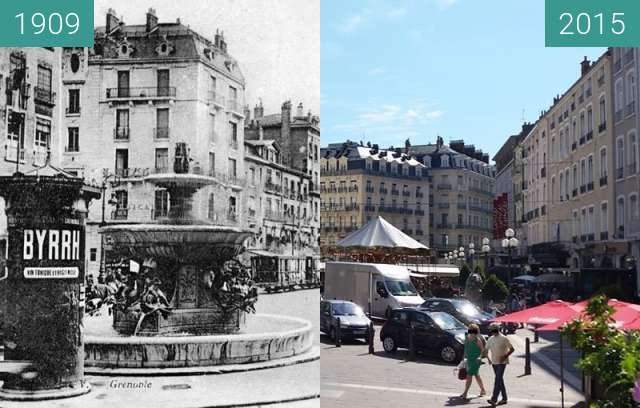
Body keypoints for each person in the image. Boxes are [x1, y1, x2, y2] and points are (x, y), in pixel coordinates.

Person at [482, 323, 515, 406]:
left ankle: (494, 399)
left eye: (492, 330)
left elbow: (512, 349)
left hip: (502, 362)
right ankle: (504, 398)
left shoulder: (504, 338)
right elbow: (486, 350)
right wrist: (481, 358)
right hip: (494, 362)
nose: (491, 331)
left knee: (497, 380)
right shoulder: (490, 339)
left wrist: (505, 356)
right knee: (500, 380)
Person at [459, 323, 486, 400]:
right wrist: (463, 357)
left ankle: (465, 393)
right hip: (469, 359)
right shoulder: (467, 337)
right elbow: (466, 348)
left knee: (469, 375)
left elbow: (482, 350)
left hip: (476, 360)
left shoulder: (478, 340)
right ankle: (483, 390)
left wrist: (480, 357)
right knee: (477, 375)